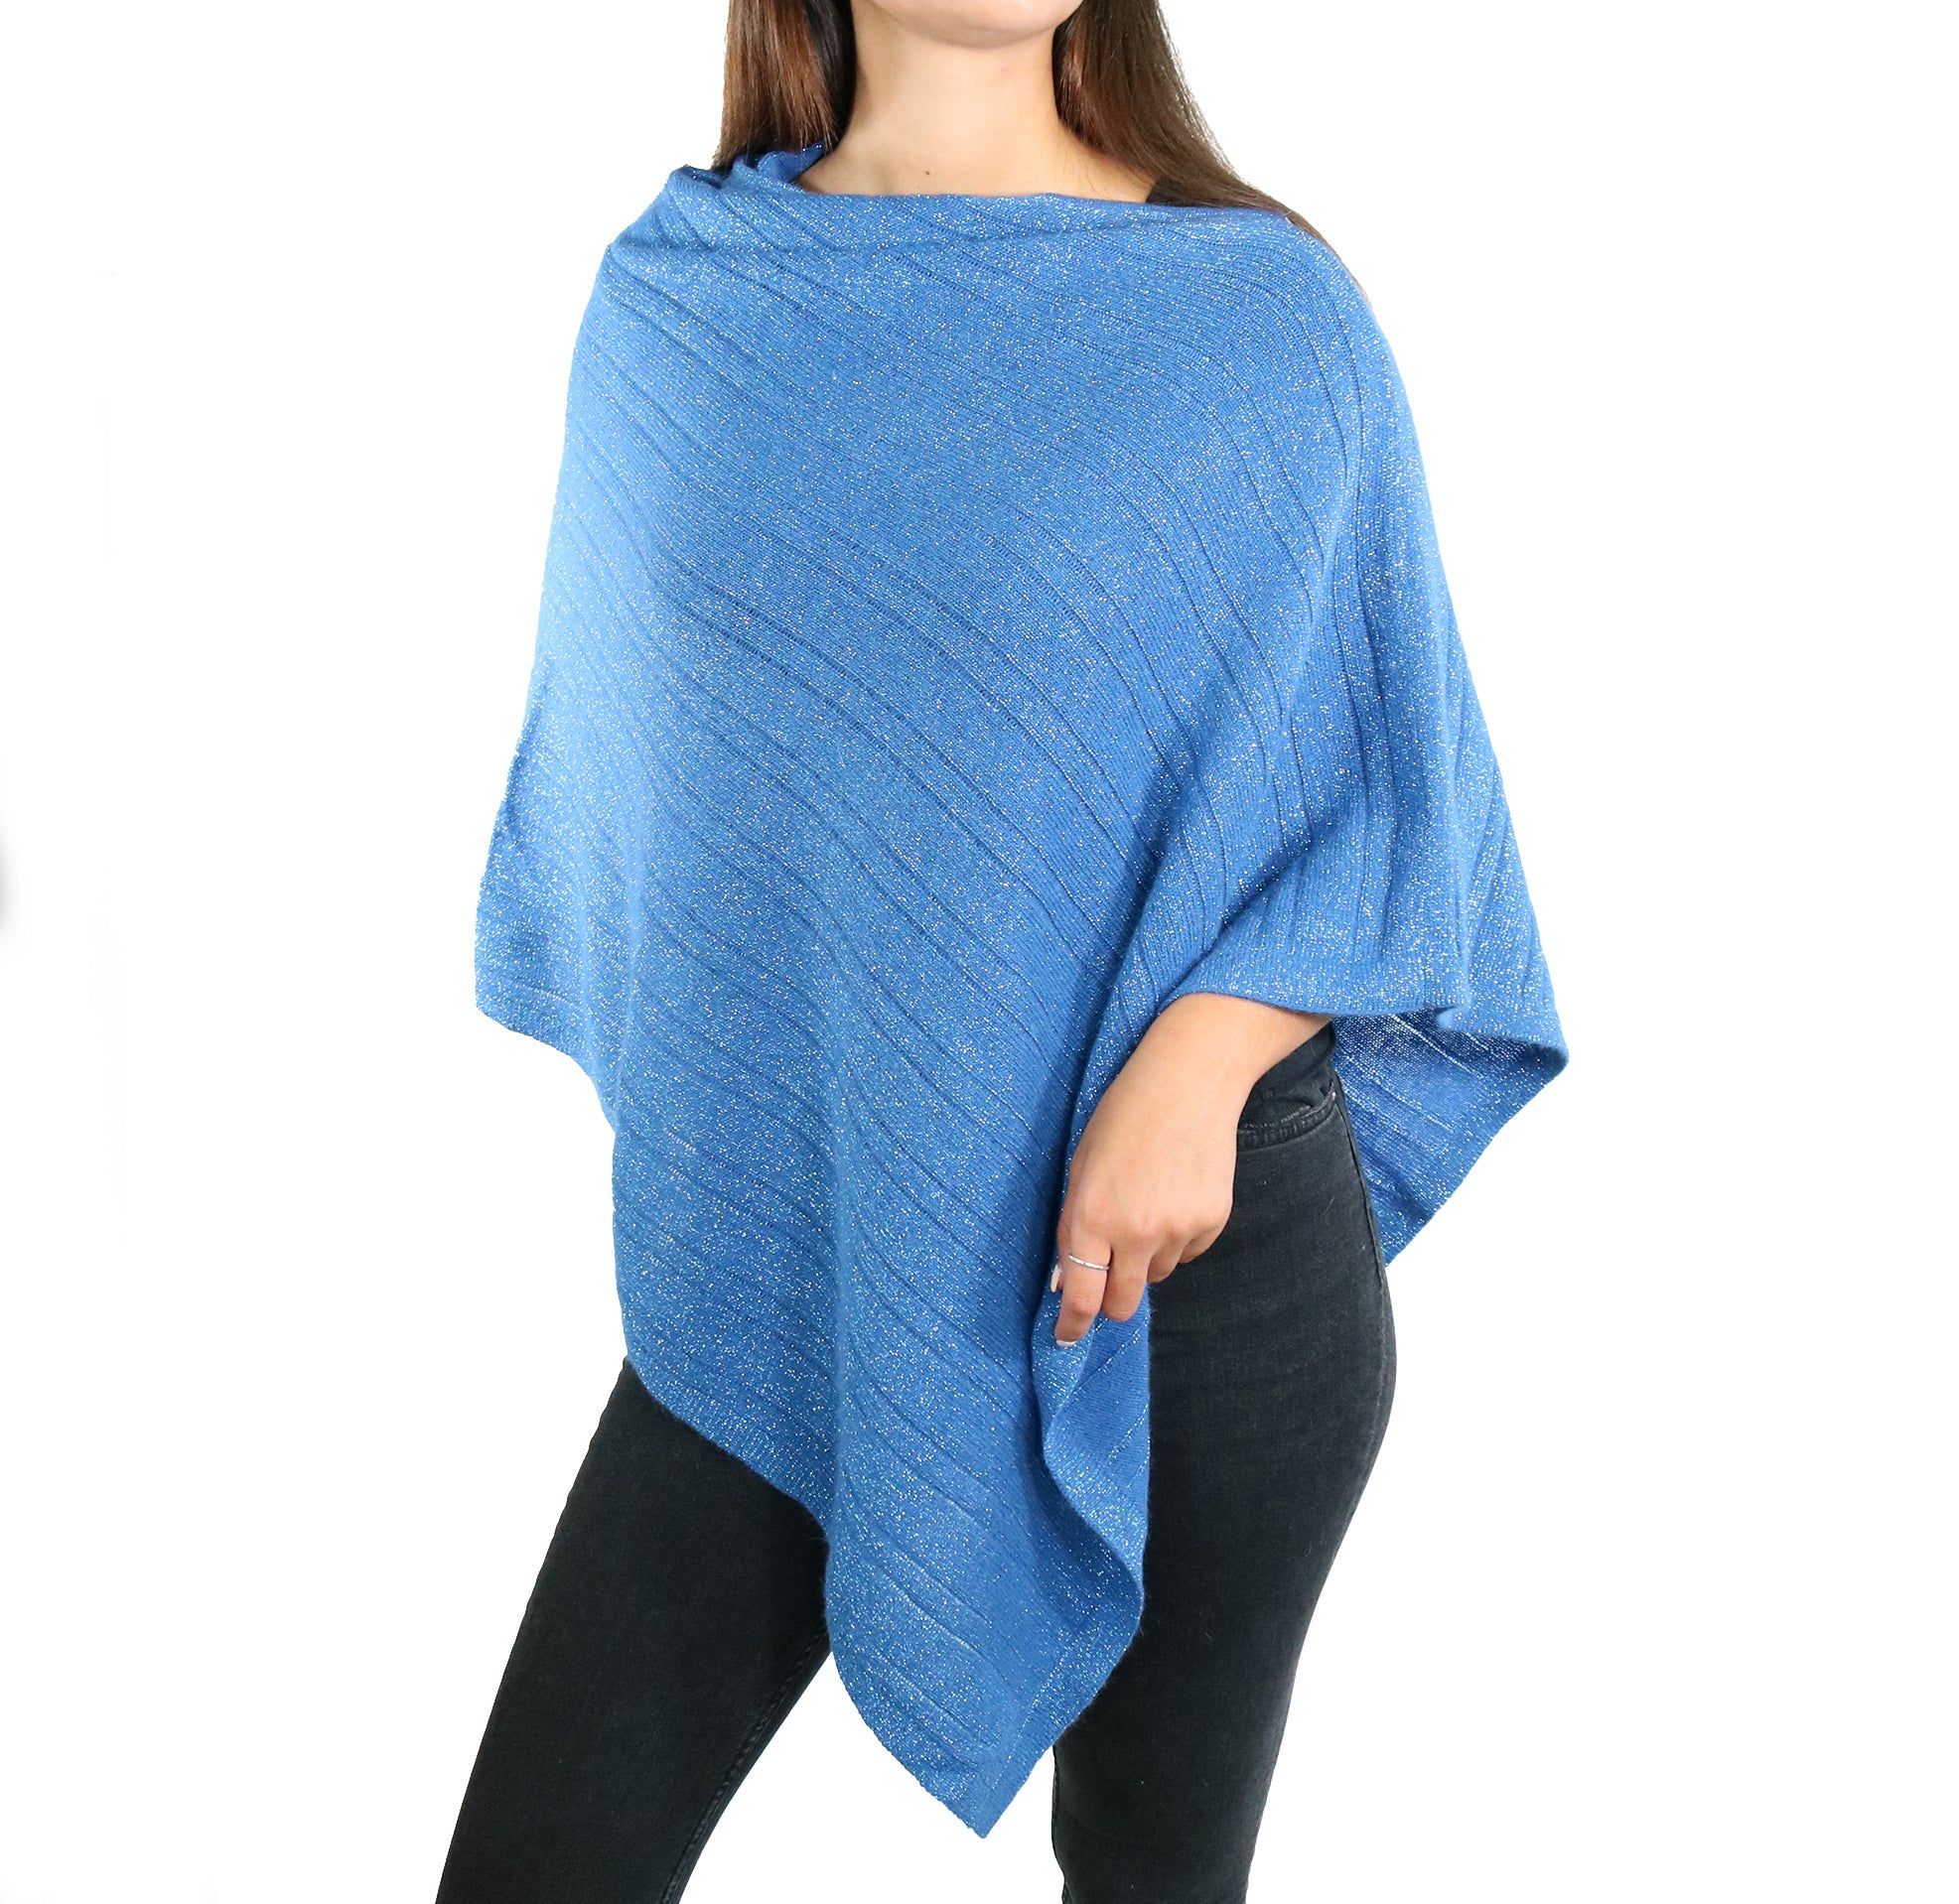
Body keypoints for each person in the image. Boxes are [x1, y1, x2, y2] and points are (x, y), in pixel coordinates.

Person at [439, 2, 1567, 1899]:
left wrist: (1200, 1057)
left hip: (1189, 1262)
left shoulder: (1258, 318)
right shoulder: (684, 305)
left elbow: (1395, 794)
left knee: (1148, 1877)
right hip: (806, 1234)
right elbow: (677, 810)